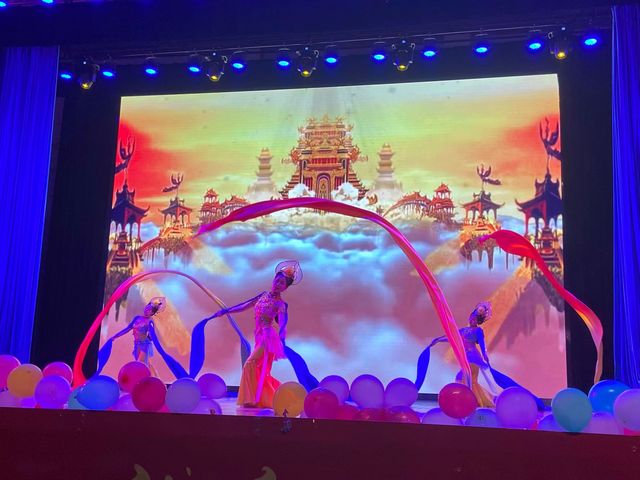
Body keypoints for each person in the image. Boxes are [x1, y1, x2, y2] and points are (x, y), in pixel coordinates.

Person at [191, 261, 302, 408]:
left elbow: (282, 321)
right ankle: (273, 397)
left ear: (285, 288)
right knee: (259, 370)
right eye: (278, 280)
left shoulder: (280, 304)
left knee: (250, 364)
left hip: (268, 337)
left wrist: (282, 334)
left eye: (282, 283)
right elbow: (244, 306)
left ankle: (252, 399)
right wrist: (226, 311)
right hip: (259, 336)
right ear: (274, 279)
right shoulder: (263, 295)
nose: (278, 284)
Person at [96, 296, 188, 379]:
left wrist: (159, 349)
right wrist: (115, 336)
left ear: (152, 313)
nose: (147, 310)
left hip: (145, 345)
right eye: (147, 308)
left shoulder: (149, 322)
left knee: (140, 363)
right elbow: (127, 329)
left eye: (150, 310)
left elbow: (153, 336)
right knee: (146, 364)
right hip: (137, 345)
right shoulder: (137, 318)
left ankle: (142, 380)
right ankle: (156, 378)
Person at [429, 302, 500, 407]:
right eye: (472, 317)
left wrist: (485, 356)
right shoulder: (463, 330)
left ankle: (469, 401)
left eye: (475, 319)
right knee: (472, 382)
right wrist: (438, 340)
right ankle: (479, 402)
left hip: (474, 359)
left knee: (462, 378)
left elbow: (482, 344)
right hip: (466, 359)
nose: (473, 320)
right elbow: (451, 337)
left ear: (478, 321)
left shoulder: (478, 331)